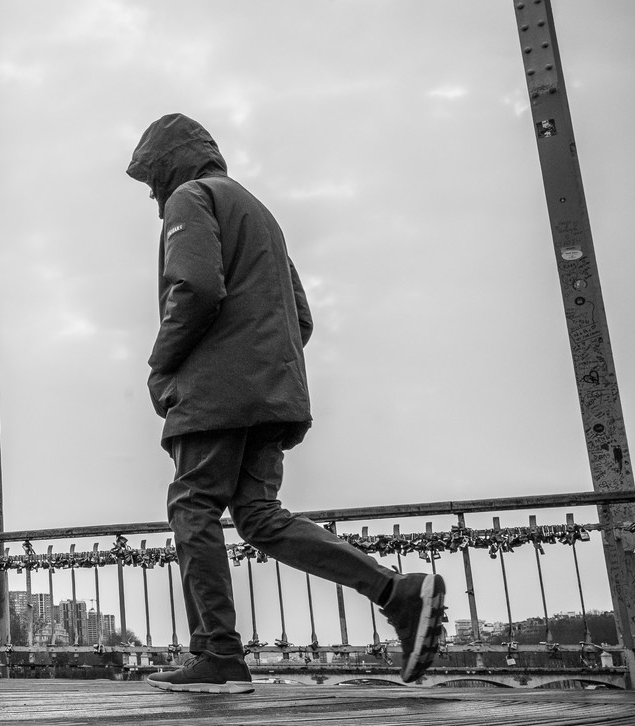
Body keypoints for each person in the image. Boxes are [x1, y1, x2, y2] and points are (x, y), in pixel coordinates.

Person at [125, 114, 445, 694]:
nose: (153, 196)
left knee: (193, 505)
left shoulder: (190, 198)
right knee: (258, 514)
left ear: (171, 162)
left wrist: (163, 365)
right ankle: (397, 592)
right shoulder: (259, 214)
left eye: (152, 180)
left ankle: (218, 656)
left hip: (218, 394)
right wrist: (262, 366)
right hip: (273, 392)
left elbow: (194, 287)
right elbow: (301, 317)